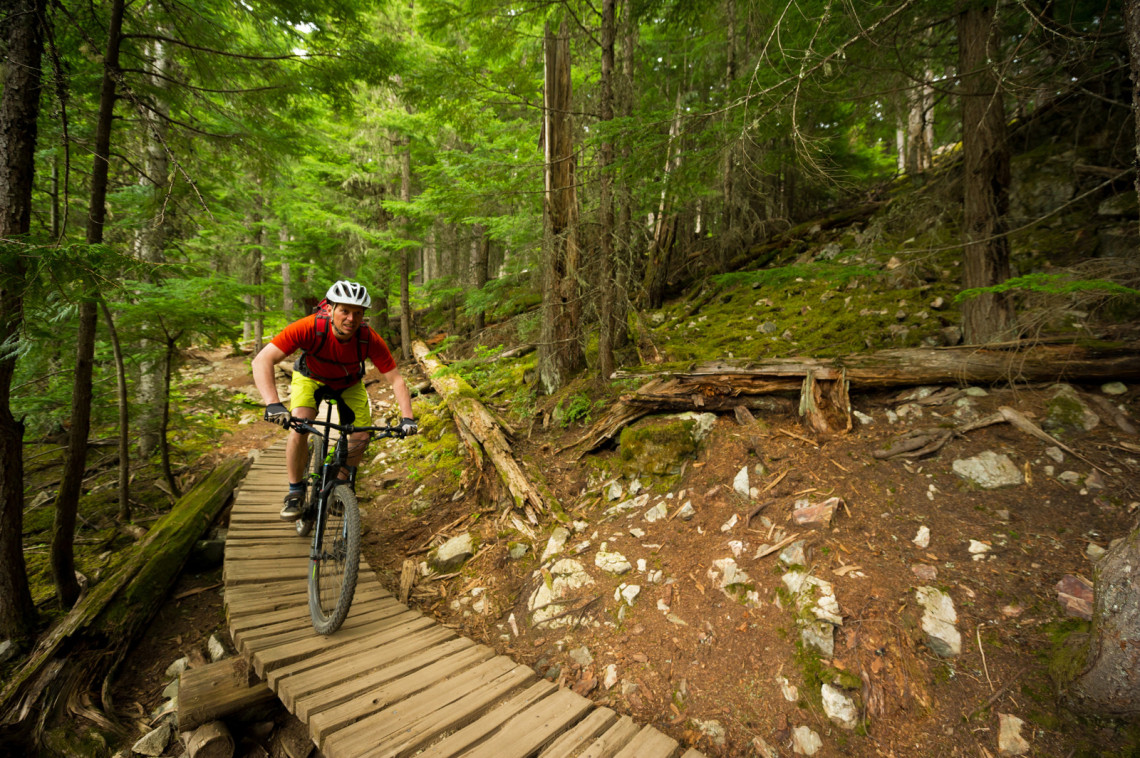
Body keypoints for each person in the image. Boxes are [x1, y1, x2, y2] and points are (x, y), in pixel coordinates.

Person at [252, 280, 416, 521]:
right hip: (311, 378)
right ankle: (295, 491)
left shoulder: (368, 338)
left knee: (361, 435)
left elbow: (396, 380)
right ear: (329, 309)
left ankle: (341, 486)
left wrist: (407, 419)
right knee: (299, 426)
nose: (351, 318)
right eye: (345, 311)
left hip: (349, 383)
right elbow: (262, 360)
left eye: (358, 313)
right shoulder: (308, 327)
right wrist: (273, 403)